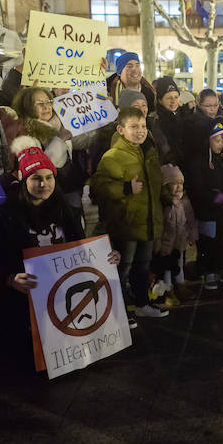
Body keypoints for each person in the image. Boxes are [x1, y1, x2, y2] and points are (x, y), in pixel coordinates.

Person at [0, 146, 118, 369]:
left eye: (48, 177)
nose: (43, 184)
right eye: (36, 178)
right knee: (26, 366)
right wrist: (9, 279)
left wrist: (106, 258)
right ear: (24, 179)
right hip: (23, 300)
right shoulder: (5, 215)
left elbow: (80, 249)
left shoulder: (65, 209)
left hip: (60, 297)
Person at [91, 107, 167, 320]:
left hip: (148, 221)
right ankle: (121, 313)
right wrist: (125, 188)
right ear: (121, 129)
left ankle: (142, 304)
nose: (140, 131)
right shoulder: (113, 156)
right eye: (134, 127)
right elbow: (97, 187)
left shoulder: (149, 151)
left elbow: (156, 184)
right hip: (126, 224)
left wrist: (168, 197)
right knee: (123, 269)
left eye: (143, 126)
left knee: (143, 267)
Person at [186, 119, 223, 290]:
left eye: (222, 140)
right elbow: (198, 188)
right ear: (208, 140)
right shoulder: (198, 161)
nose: (220, 144)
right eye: (216, 140)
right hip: (207, 211)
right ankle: (208, 271)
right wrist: (220, 198)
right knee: (208, 241)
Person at [10, 87, 84, 211]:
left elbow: (78, 144)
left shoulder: (59, 122)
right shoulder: (25, 134)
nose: (46, 107)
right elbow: (40, 167)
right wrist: (60, 139)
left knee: (76, 220)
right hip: (47, 191)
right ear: (27, 107)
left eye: (48, 101)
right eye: (39, 104)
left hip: (70, 184)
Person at [152, 164, 197, 306]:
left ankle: (180, 286)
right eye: (174, 183)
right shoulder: (163, 204)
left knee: (179, 266)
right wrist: (157, 243)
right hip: (166, 245)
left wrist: (192, 235)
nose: (178, 187)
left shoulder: (184, 202)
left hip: (179, 243)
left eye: (180, 183)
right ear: (165, 185)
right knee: (166, 268)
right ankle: (168, 290)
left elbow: (191, 220)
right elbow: (158, 225)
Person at [151, 76, 185, 168]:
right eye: (169, 98)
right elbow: (164, 150)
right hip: (170, 170)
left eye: (176, 97)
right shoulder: (156, 121)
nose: (173, 101)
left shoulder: (184, 116)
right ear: (160, 100)